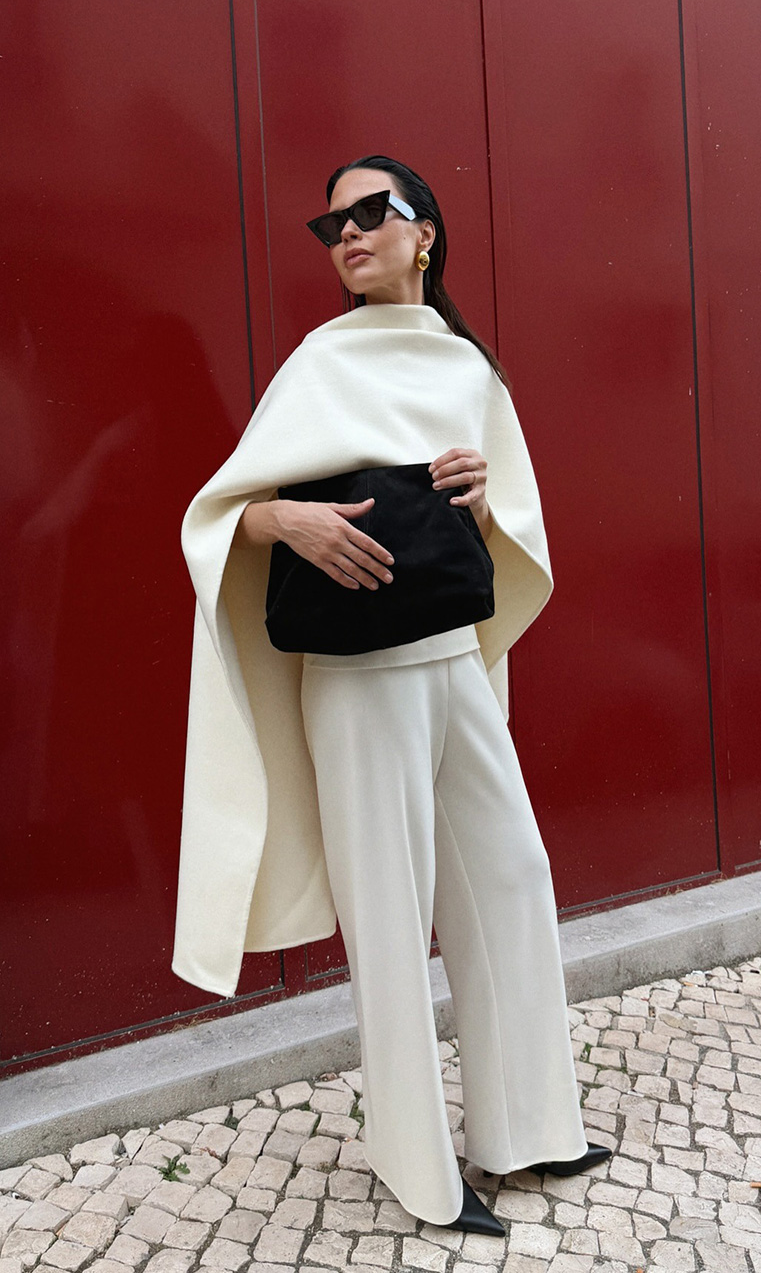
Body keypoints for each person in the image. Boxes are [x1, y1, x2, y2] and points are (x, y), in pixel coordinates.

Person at [173, 154, 612, 1235]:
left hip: (449, 659)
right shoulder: (318, 362)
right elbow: (218, 511)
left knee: (511, 872)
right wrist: (290, 522)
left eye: (373, 213)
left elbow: (512, 514)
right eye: (333, 224)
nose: (348, 234)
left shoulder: (466, 366)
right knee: (390, 915)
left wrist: (476, 492)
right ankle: (420, 1170)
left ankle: (530, 1127)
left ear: (426, 235)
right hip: (357, 678)